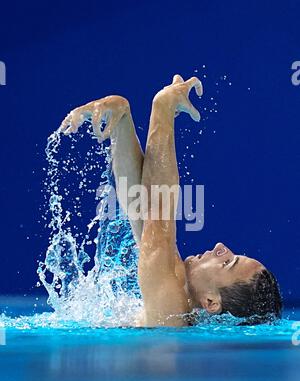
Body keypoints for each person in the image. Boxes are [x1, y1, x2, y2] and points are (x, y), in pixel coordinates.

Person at [60, 74, 282, 327]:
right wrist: (120, 121)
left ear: (211, 302)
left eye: (228, 262)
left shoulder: (172, 314)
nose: (221, 247)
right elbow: (141, 212)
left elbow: (158, 210)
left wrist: (163, 106)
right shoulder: (179, 306)